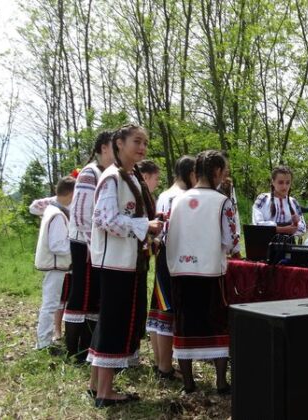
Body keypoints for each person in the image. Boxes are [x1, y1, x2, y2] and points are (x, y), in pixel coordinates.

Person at [88, 124, 162, 407]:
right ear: (119, 143)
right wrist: (145, 225)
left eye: (145, 143)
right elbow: (104, 219)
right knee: (114, 323)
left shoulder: (129, 176)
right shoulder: (113, 178)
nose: (142, 148)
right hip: (115, 262)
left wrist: (149, 228)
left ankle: (97, 385)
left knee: (111, 321)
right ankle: (105, 392)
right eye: (136, 141)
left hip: (127, 261)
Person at [165, 150, 240, 394]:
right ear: (217, 171)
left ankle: (188, 382)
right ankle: (221, 382)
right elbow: (231, 239)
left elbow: (167, 233)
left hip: (180, 270)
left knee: (184, 323)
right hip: (210, 271)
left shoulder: (177, 200)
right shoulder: (222, 202)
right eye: (224, 171)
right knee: (216, 323)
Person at [64, 131, 115, 363]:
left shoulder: (107, 173)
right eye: (115, 147)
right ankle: (73, 351)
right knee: (80, 296)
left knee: (94, 297)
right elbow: (81, 214)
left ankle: (86, 348)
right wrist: (94, 245)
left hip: (97, 246)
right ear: (104, 148)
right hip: (84, 243)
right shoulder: (89, 172)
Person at [146, 155, 196, 380]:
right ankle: (165, 367)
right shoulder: (184, 197)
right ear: (191, 174)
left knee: (159, 308)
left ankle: (161, 363)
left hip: (162, 253)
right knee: (168, 310)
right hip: (177, 256)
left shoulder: (164, 194)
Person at [34, 176, 75, 350]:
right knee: (50, 304)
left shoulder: (51, 210)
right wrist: (76, 246)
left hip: (54, 264)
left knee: (51, 303)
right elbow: (57, 245)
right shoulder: (57, 215)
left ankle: (45, 340)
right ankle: (43, 342)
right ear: (71, 193)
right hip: (55, 264)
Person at [252, 165, 306, 236]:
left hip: (288, 242)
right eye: (280, 182)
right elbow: (257, 224)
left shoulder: (293, 202)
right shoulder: (263, 199)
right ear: (273, 182)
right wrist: (282, 229)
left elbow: (303, 228)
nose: (284, 186)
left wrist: (296, 224)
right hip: (265, 241)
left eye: (287, 183)